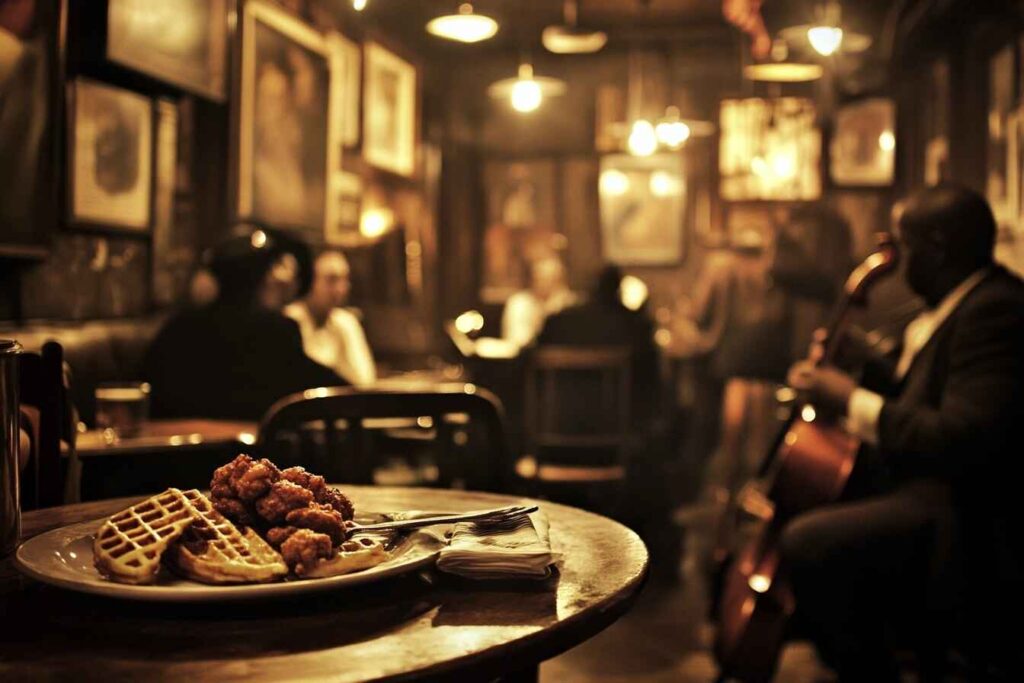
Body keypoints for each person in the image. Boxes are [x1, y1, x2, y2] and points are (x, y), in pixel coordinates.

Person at [781, 184, 1024, 680]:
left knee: (808, 543)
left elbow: (960, 434)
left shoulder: (995, 309)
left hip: (960, 507)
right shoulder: (958, 301)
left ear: (935, 248)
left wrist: (848, 398)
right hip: (919, 485)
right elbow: (921, 391)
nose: (896, 262)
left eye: (903, 247)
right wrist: (865, 365)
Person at [143, 226, 344, 421]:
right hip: (251, 454)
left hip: (175, 452)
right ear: (263, 280)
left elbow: (146, 393)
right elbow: (324, 387)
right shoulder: (276, 332)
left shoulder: (179, 327)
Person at [285, 250, 376, 386]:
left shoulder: (345, 322)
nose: (341, 289)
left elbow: (364, 381)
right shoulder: (290, 320)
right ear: (310, 281)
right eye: (332, 279)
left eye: (345, 279)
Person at [501, 255, 575, 350]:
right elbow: (519, 341)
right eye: (542, 278)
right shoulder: (519, 303)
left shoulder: (568, 304)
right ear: (533, 279)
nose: (546, 283)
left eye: (554, 279)